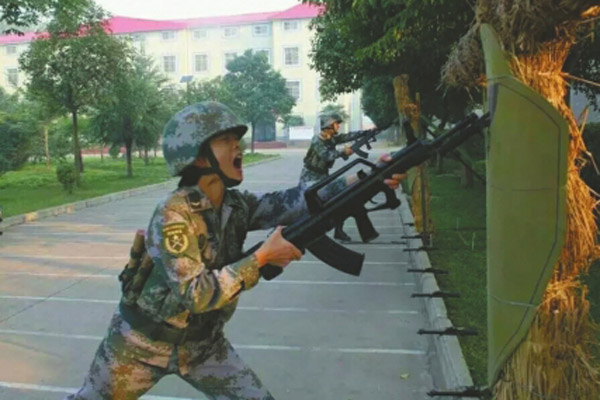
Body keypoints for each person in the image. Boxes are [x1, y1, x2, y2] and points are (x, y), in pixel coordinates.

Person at [66, 102, 405, 400]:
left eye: (237, 138)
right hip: (140, 346)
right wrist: (261, 259)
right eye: (226, 140)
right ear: (199, 155)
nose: (238, 146)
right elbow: (196, 295)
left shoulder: (234, 204)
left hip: (203, 346)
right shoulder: (173, 214)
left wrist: (363, 179)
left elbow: (295, 203)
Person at [300, 112, 363, 242]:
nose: (338, 127)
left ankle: (338, 230)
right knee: (303, 206)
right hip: (310, 176)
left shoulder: (331, 138)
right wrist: (343, 152)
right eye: (336, 124)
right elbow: (326, 155)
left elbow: (347, 137)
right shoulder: (318, 139)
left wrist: (365, 133)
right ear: (328, 125)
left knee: (336, 202)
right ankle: (297, 232)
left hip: (323, 175)